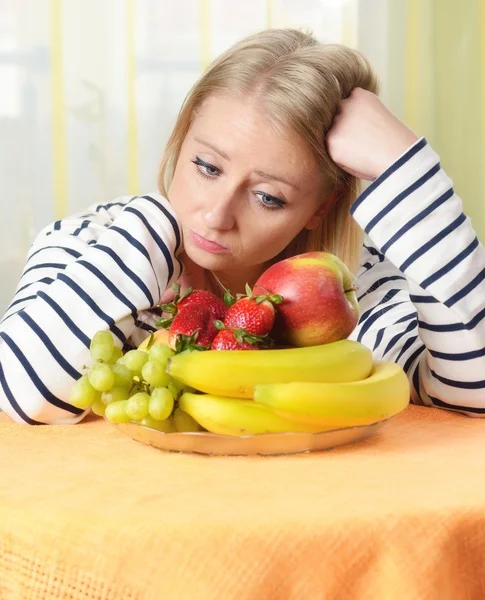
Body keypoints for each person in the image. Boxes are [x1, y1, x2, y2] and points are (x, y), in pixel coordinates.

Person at [1, 28, 484, 425]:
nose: (216, 215)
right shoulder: (89, 245)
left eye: (268, 197)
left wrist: (407, 170)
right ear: (182, 136)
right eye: (207, 167)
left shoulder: (356, 290)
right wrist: (153, 223)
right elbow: (20, 393)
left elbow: (474, 388)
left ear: (320, 207)